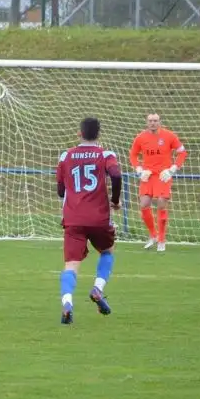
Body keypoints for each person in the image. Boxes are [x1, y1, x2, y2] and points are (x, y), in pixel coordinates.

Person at [56, 117, 122, 325]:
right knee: (107, 251)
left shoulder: (66, 156)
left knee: (71, 264)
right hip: (99, 217)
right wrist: (115, 200)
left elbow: (60, 190)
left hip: (73, 218)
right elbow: (117, 175)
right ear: (98, 134)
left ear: (80, 133)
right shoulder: (106, 154)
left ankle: (67, 304)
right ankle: (97, 289)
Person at [129, 113, 187, 252]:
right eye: (150, 121)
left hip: (163, 175)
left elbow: (182, 152)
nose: (153, 123)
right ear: (146, 122)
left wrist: (172, 169)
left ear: (159, 122)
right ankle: (153, 235)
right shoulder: (140, 137)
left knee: (161, 202)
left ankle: (161, 239)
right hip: (147, 175)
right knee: (144, 204)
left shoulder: (169, 136)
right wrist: (139, 170)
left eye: (155, 120)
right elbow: (133, 154)